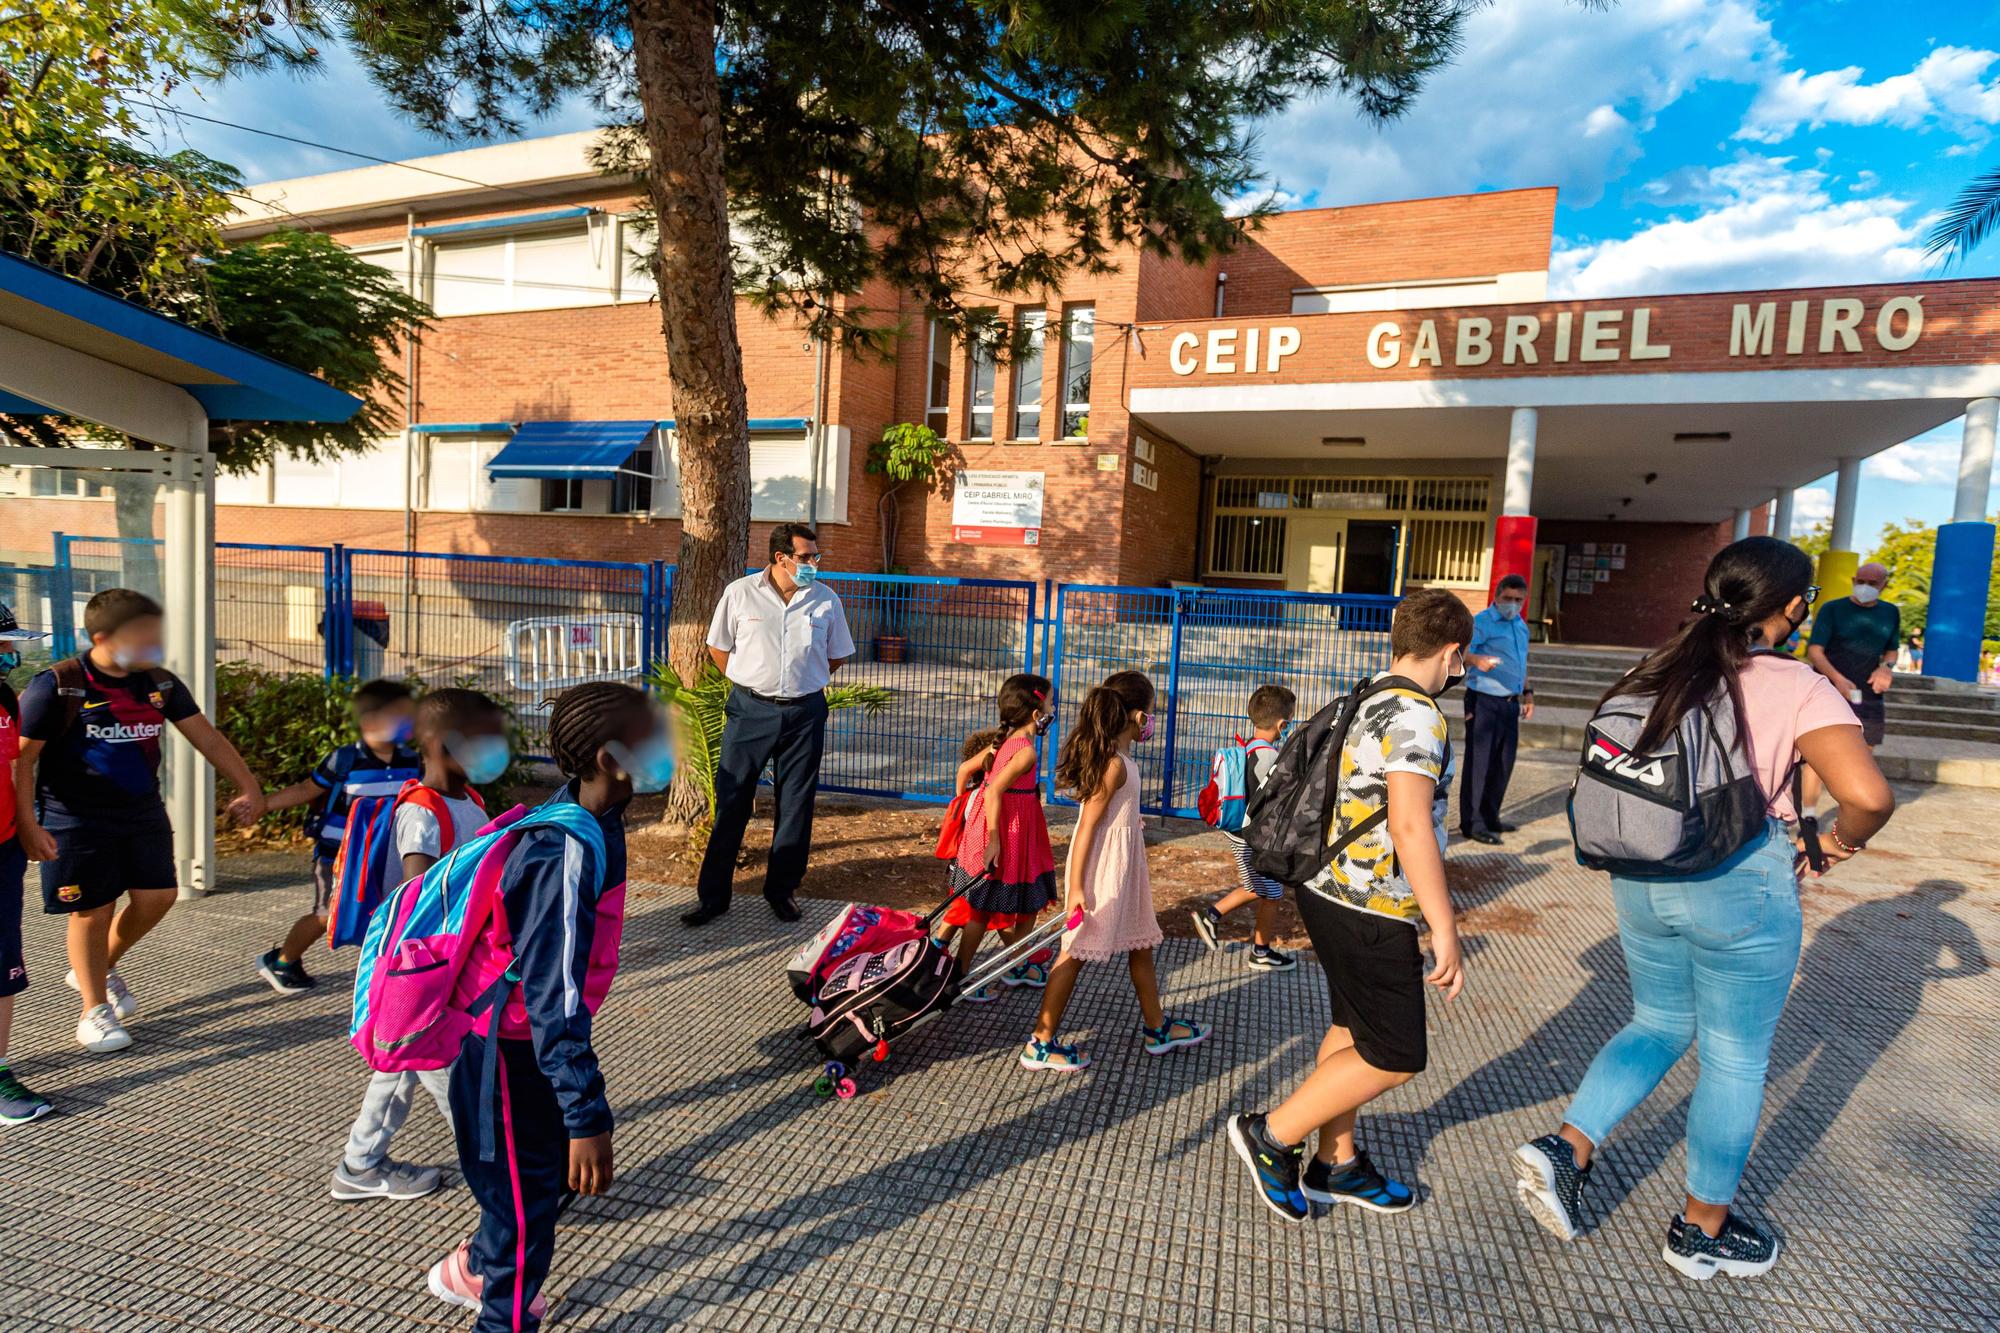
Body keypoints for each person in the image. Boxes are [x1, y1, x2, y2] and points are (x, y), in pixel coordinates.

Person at [1511, 537, 1895, 1281]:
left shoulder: (1657, 668)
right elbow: (1869, 796)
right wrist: (1839, 843)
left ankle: (1566, 1148)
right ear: (1791, 607)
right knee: (1734, 1057)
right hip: (1740, 879)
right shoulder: (1795, 685)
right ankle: (1701, 1230)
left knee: (1655, 1021)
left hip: (1644, 875)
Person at [1226, 588, 1470, 1222]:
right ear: (1449, 653)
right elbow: (1411, 825)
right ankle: (1273, 1135)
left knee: (1351, 1028)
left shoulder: (1365, 696)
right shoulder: (1417, 716)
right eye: (1460, 660)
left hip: (1326, 888)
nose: (1461, 672)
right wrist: (1444, 926)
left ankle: (1337, 1162)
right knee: (1395, 1053)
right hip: (1373, 903)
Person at [425, 681, 654, 1330]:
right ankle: (500, 1314)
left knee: (539, 1185)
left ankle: (476, 1267)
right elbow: (553, 998)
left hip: (523, 1044)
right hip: (509, 1051)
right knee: (530, 1209)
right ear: (610, 757)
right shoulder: (565, 849)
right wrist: (587, 1113)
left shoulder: (596, 814)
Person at [13, 589, 265, 1054]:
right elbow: (21, 761)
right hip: (75, 819)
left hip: (141, 812)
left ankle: (98, 966)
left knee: (159, 897)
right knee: (93, 909)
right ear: (104, 637)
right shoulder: (59, 685)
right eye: (145, 634)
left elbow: (205, 735)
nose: (155, 643)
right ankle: (92, 1010)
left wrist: (248, 786)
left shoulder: (159, 682)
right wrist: (29, 825)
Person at [330, 687, 506, 1203]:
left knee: (401, 1067)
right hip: (425, 973)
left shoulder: (468, 799)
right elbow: (418, 902)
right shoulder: (423, 813)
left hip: (449, 970)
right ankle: (497, 1178)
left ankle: (359, 1164)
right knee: (449, 1077)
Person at [1021, 670, 1207, 1072]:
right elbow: (1087, 826)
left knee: (1141, 944)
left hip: (1124, 869)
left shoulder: (1122, 760)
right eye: (1152, 713)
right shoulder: (1114, 766)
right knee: (1073, 953)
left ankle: (1157, 1028)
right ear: (1137, 717)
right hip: (1101, 872)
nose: (1153, 721)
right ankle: (1039, 1042)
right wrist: (1075, 888)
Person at [686, 523, 856, 927]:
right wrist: (752, 683)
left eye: (816, 556)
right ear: (781, 558)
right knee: (732, 802)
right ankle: (713, 898)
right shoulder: (740, 593)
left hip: (804, 713)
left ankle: (781, 891)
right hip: (750, 711)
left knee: (796, 804)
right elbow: (718, 647)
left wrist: (799, 684)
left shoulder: (826, 600)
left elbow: (835, 656)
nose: (814, 563)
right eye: (806, 557)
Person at [253, 679, 420, 995]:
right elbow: (306, 789)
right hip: (337, 854)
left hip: (384, 855)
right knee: (327, 914)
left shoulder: (411, 761)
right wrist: (262, 805)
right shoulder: (344, 759)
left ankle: (383, 972)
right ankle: (281, 961)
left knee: (383, 911)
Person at [945, 673, 1059, 1002]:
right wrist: (993, 837)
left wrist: (968, 813)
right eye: (1050, 702)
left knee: (1008, 905)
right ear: (1037, 713)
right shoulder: (1024, 752)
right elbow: (994, 790)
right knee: (988, 909)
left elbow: (966, 771)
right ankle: (962, 978)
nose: (1053, 709)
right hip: (1006, 836)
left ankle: (1014, 962)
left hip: (1001, 832)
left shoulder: (1002, 742)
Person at [1190, 684, 1297, 971]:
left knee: (1257, 887)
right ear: (1283, 724)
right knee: (1272, 893)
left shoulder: (1248, 747)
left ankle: (1212, 916)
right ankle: (1260, 952)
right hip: (1253, 837)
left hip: (1237, 832)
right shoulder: (1271, 759)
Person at [0, 603, 52, 1123]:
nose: (11, 654)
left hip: (4, 850)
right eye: (4, 646)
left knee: (3, 966)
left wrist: (27, 828)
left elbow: (15, 764)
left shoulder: (5, 700)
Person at [1461, 572, 1534, 845]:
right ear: (1496, 596)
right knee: (1480, 763)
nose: (1512, 604)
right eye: (1507, 598)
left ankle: (1491, 816)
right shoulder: (1481, 622)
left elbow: (1522, 664)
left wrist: (1528, 694)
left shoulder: (1520, 626)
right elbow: (1462, 653)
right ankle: (1473, 823)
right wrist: (1476, 659)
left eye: (1518, 599)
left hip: (1510, 703)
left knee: (1504, 762)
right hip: (1484, 701)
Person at [1806, 561, 1899, 748]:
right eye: (1861, 581)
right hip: (1827, 688)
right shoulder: (1832, 609)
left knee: (1864, 750)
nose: (1865, 587)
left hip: (1869, 693)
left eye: (1872, 583)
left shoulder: (1890, 612)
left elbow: (1891, 650)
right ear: (1853, 580)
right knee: (1818, 751)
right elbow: (1815, 651)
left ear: (1884, 585)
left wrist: (1885, 668)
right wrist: (1837, 679)